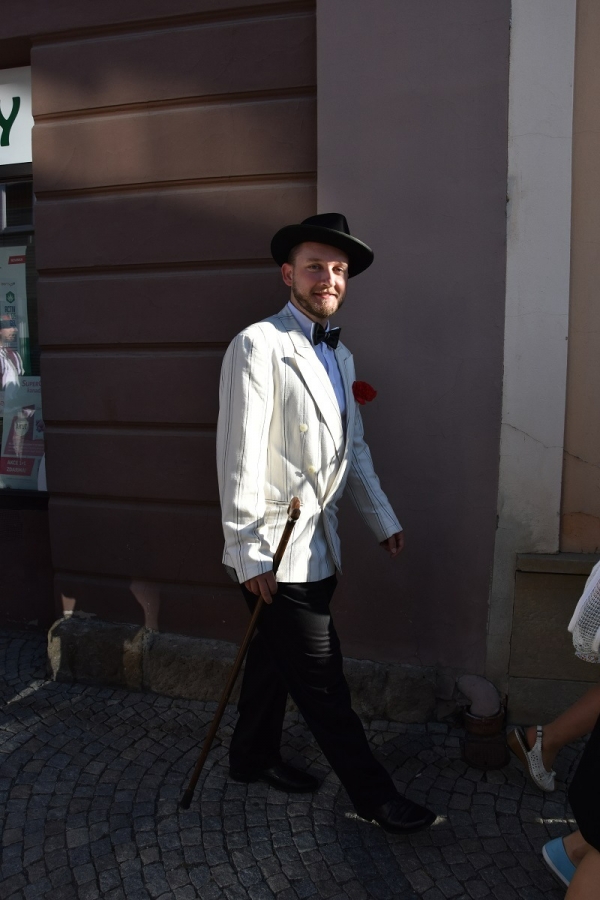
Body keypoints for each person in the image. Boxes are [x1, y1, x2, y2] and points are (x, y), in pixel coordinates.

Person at [216, 213, 435, 834]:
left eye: (338, 270)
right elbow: (238, 457)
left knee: (270, 660)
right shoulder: (257, 345)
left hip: (323, 546)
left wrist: (380, 518)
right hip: (275, 553)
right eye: (316, 266)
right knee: (323, 682)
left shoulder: (341, 355)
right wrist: (250, 553)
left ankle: (249, 757)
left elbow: (353, 451)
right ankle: (374, 796)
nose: (328, 278)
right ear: (288, 274)